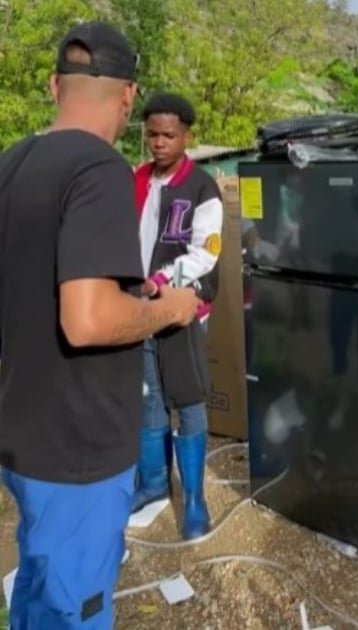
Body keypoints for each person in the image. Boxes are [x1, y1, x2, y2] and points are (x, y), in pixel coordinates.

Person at [0, 22, 202, 629]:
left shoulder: (11, 164)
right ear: (128, 97)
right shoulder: (102, 169)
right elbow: (86, 321)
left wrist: (121, 289)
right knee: (74, 608)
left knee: (36, 585)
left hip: (22, 436)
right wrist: (169, 308)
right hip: (78, 451)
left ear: (54, 84)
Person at [129, 92, 224, 542]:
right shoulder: (137, 179)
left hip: (181, 307)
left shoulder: (202, 186)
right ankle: (151, 485)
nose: (159, 143)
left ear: (187, 136)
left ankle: (195, 500)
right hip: (138, 307)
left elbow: (205, 253)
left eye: (169, 135)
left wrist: (159, 282)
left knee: (186, 401)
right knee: (147, 399)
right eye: (152, 134)